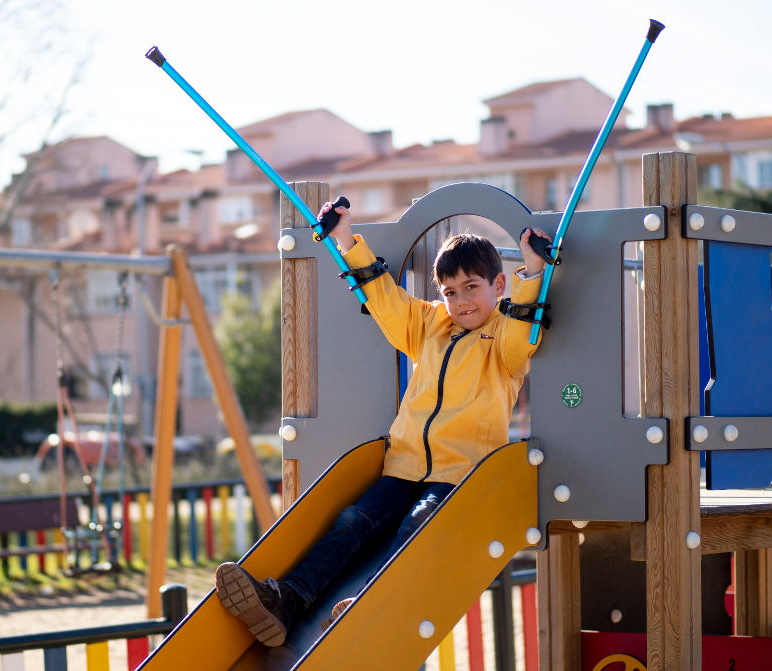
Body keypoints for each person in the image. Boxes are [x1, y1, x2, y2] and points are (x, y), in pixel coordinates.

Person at [215, 202, 550, 647]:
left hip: (458, 475)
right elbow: (387, 302)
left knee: (420, 521)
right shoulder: (430, 326)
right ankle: (286, 601)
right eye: (449, 291)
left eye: (471, 287)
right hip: (404, 464)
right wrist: (346, 240)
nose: (460, 301)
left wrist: (534, 270)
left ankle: (373, 601)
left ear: (498, 284)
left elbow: (523, 336)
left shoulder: (504, 339)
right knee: (353, 520)